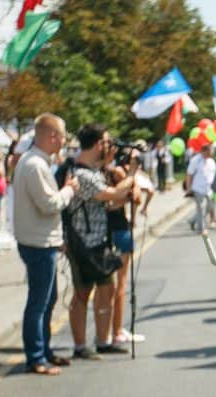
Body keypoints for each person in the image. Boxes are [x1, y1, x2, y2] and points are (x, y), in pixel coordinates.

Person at [13, 113, 78, 375]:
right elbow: (49, 204)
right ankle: (36, 357)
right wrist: (70, 189)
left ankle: (44, 351)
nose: (64, 141)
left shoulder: (36, 161)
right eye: (62, 136)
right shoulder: (35, 165)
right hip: (38, 244)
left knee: (46, 300)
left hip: (42, 241)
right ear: (52, 136)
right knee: (39, 303)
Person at [64, 124, 135, 360]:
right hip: (82, 243)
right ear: (97, 144)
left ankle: (103, 341)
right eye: (106, 142)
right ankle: (80, 346)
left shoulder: (94, 171)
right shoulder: (80, 173)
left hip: (99, 241)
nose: (109, 146)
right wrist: (133, 174)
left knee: (108, 288)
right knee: (83, 294)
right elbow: (109, 194)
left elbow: (111, 202)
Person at [104, 140, 148, 346]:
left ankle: (111, 331)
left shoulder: (105, 171)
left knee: (111, 286)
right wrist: (133, 175)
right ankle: (117, 330)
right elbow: (137, 198)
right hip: (120, 229)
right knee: (120, 284)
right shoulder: (120, 173)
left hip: (110, 230)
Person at [187, 143, 216, 237]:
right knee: (201, 209)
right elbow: (189, 175)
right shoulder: (195, 160)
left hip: (208, 189)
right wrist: (189, 188)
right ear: (204, 151)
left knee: (209, 208)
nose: (211, 153)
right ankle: (201, 229)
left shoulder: (211, 161)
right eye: (209, 151)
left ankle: (192, 220)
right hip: (198, 189)